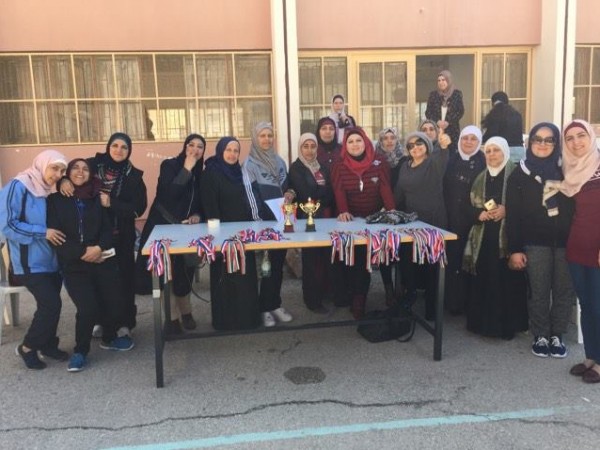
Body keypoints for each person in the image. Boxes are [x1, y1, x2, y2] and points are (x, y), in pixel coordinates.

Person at [47, 159, 134, 372]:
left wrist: (98, 248)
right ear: (68, 173)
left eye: (85, 169)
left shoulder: (96, 198)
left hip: (101, 258)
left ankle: (109, 338)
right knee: (87, 308)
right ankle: (80, 351)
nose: (80, 172)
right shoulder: (55, 200)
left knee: (114, 300)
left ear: (91, 174)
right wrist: (83, 253)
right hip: (74, 264)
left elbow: (107, 230)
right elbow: (56, 236)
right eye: (75, 168)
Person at [60, 132, 147, 338]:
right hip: (92, 236)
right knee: (96, 280)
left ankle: (125, 323)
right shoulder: (92, 165)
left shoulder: (134, 176)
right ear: (108, 146)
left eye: (124, 147)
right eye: (115, 145)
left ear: (129, 151)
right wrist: (62, 181)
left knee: (124, 280)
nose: (119, 150)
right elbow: (74, 174)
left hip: (121, 236)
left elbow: (138, 208)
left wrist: (112, 203)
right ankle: (98, 321)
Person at [506, 122, 575, 358]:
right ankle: (541, 334)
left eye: (549, 140)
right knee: (539, 291)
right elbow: (513, 216)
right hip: (535, 242)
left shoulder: (568, 172)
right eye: (537, 139)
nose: (542, 144)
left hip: (567, 242)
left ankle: (558, 334)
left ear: (556, 143)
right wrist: (515, 249)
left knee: (564, 291)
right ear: (530, 142)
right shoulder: (519, 173)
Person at [0, 150, 69, 370]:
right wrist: (42, 232)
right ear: (41, 165)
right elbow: (7, 225)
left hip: (51, 261)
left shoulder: (48, 190)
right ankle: (28, 347)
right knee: (51, 304)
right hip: (28, 262)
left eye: (62, 171)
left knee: (53, 305)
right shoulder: (18, 186)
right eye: (54, 168)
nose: (57, 174)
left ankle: (48, 344)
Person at [137, 134, 204, 334]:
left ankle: (186, 312)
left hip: (187, 230)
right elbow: (168, 195)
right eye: (191, 145)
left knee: (185, 272)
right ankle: (172, 318)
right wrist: (186, 169)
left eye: (200, 147)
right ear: (184, 147)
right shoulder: (170, 165)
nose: (195, 149)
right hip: (163, 226)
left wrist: (197, 214)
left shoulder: (201, 173)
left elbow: (201, 201)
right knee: (165, 275)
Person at [463, 137, 528, 339]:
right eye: (488, 151)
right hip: (484, 237)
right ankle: (482, 325)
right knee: (485, 280)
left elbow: (528, 204)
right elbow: (466, 205)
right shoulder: (479, 177)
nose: (492, 154)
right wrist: (479, 214)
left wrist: (507, 210)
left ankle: (506, 327)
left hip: (508, 238)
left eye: (496, 150)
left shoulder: (516, 175)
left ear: (505, 152)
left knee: (506, 282)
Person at [331, 127, 395, 319]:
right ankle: (359, 299)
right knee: (359, 260)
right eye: (350, 142)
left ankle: (390, 290)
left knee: (384, 254)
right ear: (345, 145)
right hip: (353, 220)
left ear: (365, 142)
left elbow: (385, 187)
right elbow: (339, 190)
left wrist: (391, 211)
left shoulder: (379, 162)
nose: (355, 145)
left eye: (358, 140)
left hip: (376, 217)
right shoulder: (339, 164)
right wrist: (343, 211)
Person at [201, 137, 260, 330]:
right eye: (228, 150)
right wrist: (217, 239)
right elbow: (210, 207)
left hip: (243, 235)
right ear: (220, 151)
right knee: (225, 278)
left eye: (236, 150)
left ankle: (247, 321)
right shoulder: (211, 173)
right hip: (222, 237)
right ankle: (225, 322)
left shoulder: (240, 172)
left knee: (245, 277)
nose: (232, 154)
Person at [558, 120, 600, 383]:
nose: (576, 142)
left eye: (581, 135)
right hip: (577, 245)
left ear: (591, 136)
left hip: (597, 247)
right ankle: (591, 356)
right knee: (586, 304)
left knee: (599, 304)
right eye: (569, 138)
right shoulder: (569, 169)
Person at [243, 122, 295, 327]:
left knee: (278, 265)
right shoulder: (249, 165)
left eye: (270, 135)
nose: (267, 139)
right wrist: (260, 224)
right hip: (264, 225)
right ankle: (262, 308)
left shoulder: (279, 161)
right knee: (265, 268)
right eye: (262, 136)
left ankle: (274, 304)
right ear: (255, 138)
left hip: (281, 222)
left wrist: (290, 193)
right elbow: (251, 197)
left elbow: (287, 187)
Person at [394, 131, 449, 320]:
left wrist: (444, 145)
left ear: (427, 145)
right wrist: (387, 208)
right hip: (412, 222)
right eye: (410, 145)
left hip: (433, 221)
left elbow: (443, 155)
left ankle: (432, 310)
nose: (415, 147)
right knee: (408, 263)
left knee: (432, 267)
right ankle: (409, 300)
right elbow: (399, 192)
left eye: (419, 143)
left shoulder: (434, 163)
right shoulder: (405, 166)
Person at [289, 133, 335, 313]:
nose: (309, 150)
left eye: (313, 146)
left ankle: (326, 293)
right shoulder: (296, 168)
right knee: (311, 260)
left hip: (325, 217)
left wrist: (319, 193)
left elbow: (330, 193)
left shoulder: (322, 166)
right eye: (305, 146)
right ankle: (312, 299)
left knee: (326, 256)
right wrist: (321, 192)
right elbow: (305, 192)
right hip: (306, 219)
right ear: (300, 148)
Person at [443, 125, 486, 315]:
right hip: (450, 218)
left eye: (473, 139)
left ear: (479, 142)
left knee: (469, 261)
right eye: (464, 138)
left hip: (474, 220)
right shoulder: (451, 159)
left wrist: (485, 211)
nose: (468, 142)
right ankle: (453, 303)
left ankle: (470, 304)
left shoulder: (484, 161)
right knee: (452, 260)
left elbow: (491, 192)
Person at [374, 127, 405, 305]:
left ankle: (400, 285)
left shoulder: (404, 160)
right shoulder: (375, 160)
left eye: (392, 137)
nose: (389, 141)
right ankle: (388, 288)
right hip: (382, 209)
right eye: (385, 138)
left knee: (401, 249)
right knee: (385, 250)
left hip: (401, 208)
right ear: (380, 141)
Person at [425, 70, 464, 154]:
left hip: (452, 131)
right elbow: (428, 112)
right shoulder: (433, 95)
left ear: (448, 80)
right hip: (436, 130)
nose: (441, 82)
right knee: (436, 154)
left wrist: (448, 122)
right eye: (439, 80)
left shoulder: (457, 94)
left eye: (443, 80)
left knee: (451, 154)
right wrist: (437, 121)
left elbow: (460, 111)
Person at [481, 91, 525, 163]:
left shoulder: (494, 113)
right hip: (519, 150)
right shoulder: (517, 114)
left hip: (503, 151)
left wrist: (481, 139)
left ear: (493, 102)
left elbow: (491, 134)